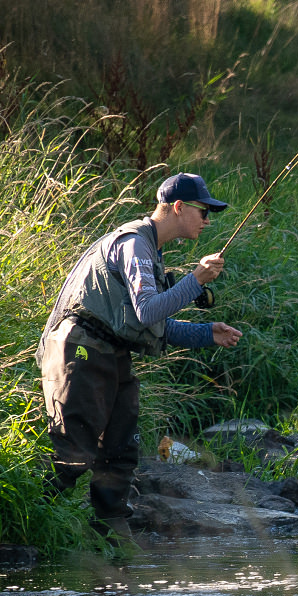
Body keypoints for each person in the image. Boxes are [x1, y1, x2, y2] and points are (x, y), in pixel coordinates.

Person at [39, 173, 244, 542]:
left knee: (120, 452)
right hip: (79, 351)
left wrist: (207, 332)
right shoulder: (134, 244)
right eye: (204, 211)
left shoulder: (151, 250)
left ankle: (113, 540)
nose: (208, 220)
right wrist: (195, 280)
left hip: (110, 352)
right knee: (73, 452)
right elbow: (149, 310)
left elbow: (148, 322)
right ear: (179, 207)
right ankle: (27, 523)